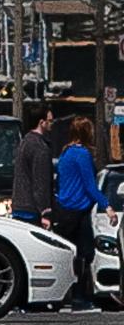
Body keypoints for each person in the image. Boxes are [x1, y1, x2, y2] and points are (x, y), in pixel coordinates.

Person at [55, 116, 118, 311]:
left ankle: (66, 294)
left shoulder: (65, 154)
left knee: (68, 254)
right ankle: (80, 297)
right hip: (78, 210)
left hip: (64, 209)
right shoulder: (82, 155)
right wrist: (106, 205)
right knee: (85, 254)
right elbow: (90, 185)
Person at [12, 105, 54, 228]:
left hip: (19, 205)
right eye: (50, 121)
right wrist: (45, 211)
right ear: (42, 122)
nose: (52, 124)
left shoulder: (25, 142)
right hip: (32, 209)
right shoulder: (40, 147)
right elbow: (41, 181)